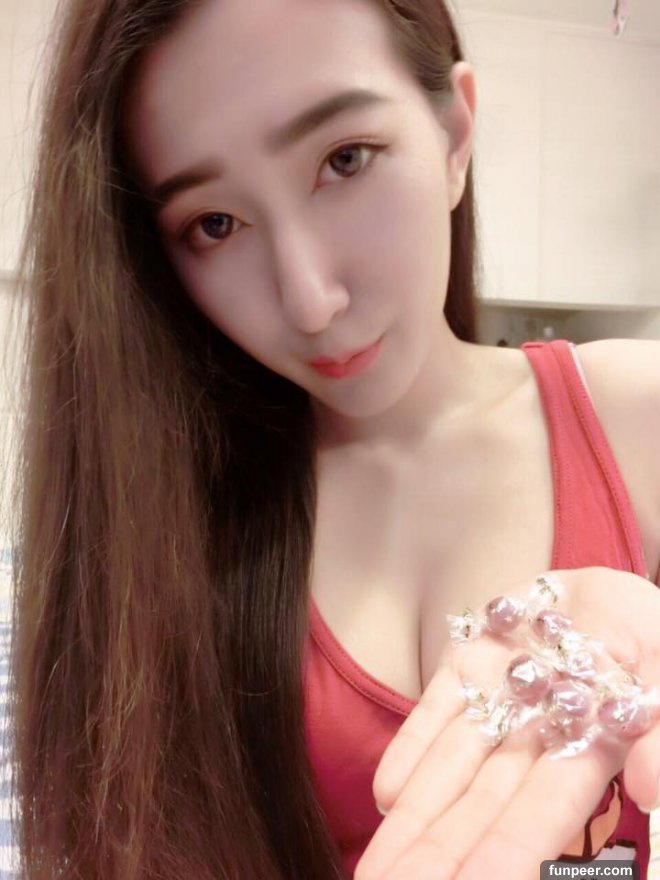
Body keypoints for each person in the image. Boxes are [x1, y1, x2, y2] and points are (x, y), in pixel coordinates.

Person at [2, 0, 658, 878]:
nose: (310, 300)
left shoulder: (635, 415)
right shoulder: (167, 529)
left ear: (454, 133)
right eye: (215, 224)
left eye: (344, 160)